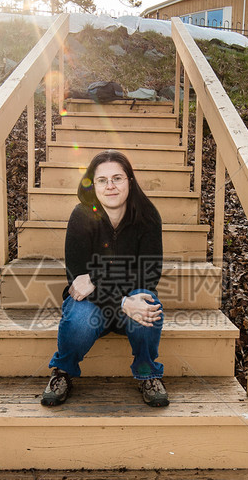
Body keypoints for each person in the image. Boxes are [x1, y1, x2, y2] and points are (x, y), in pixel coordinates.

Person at [41, 149, 169, 408]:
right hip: (93, 306)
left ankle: (148, 373)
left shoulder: (148, 216)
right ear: (93, 184)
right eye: (102, 180)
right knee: (78, 318)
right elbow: (77, 282)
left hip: (125, 302)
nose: (110, 186)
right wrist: (122, 301)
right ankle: (63, 372)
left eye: (117, 178)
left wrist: (97, 277)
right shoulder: (81, 216)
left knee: (148, 305)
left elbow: (147, 275)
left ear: (130, 182)